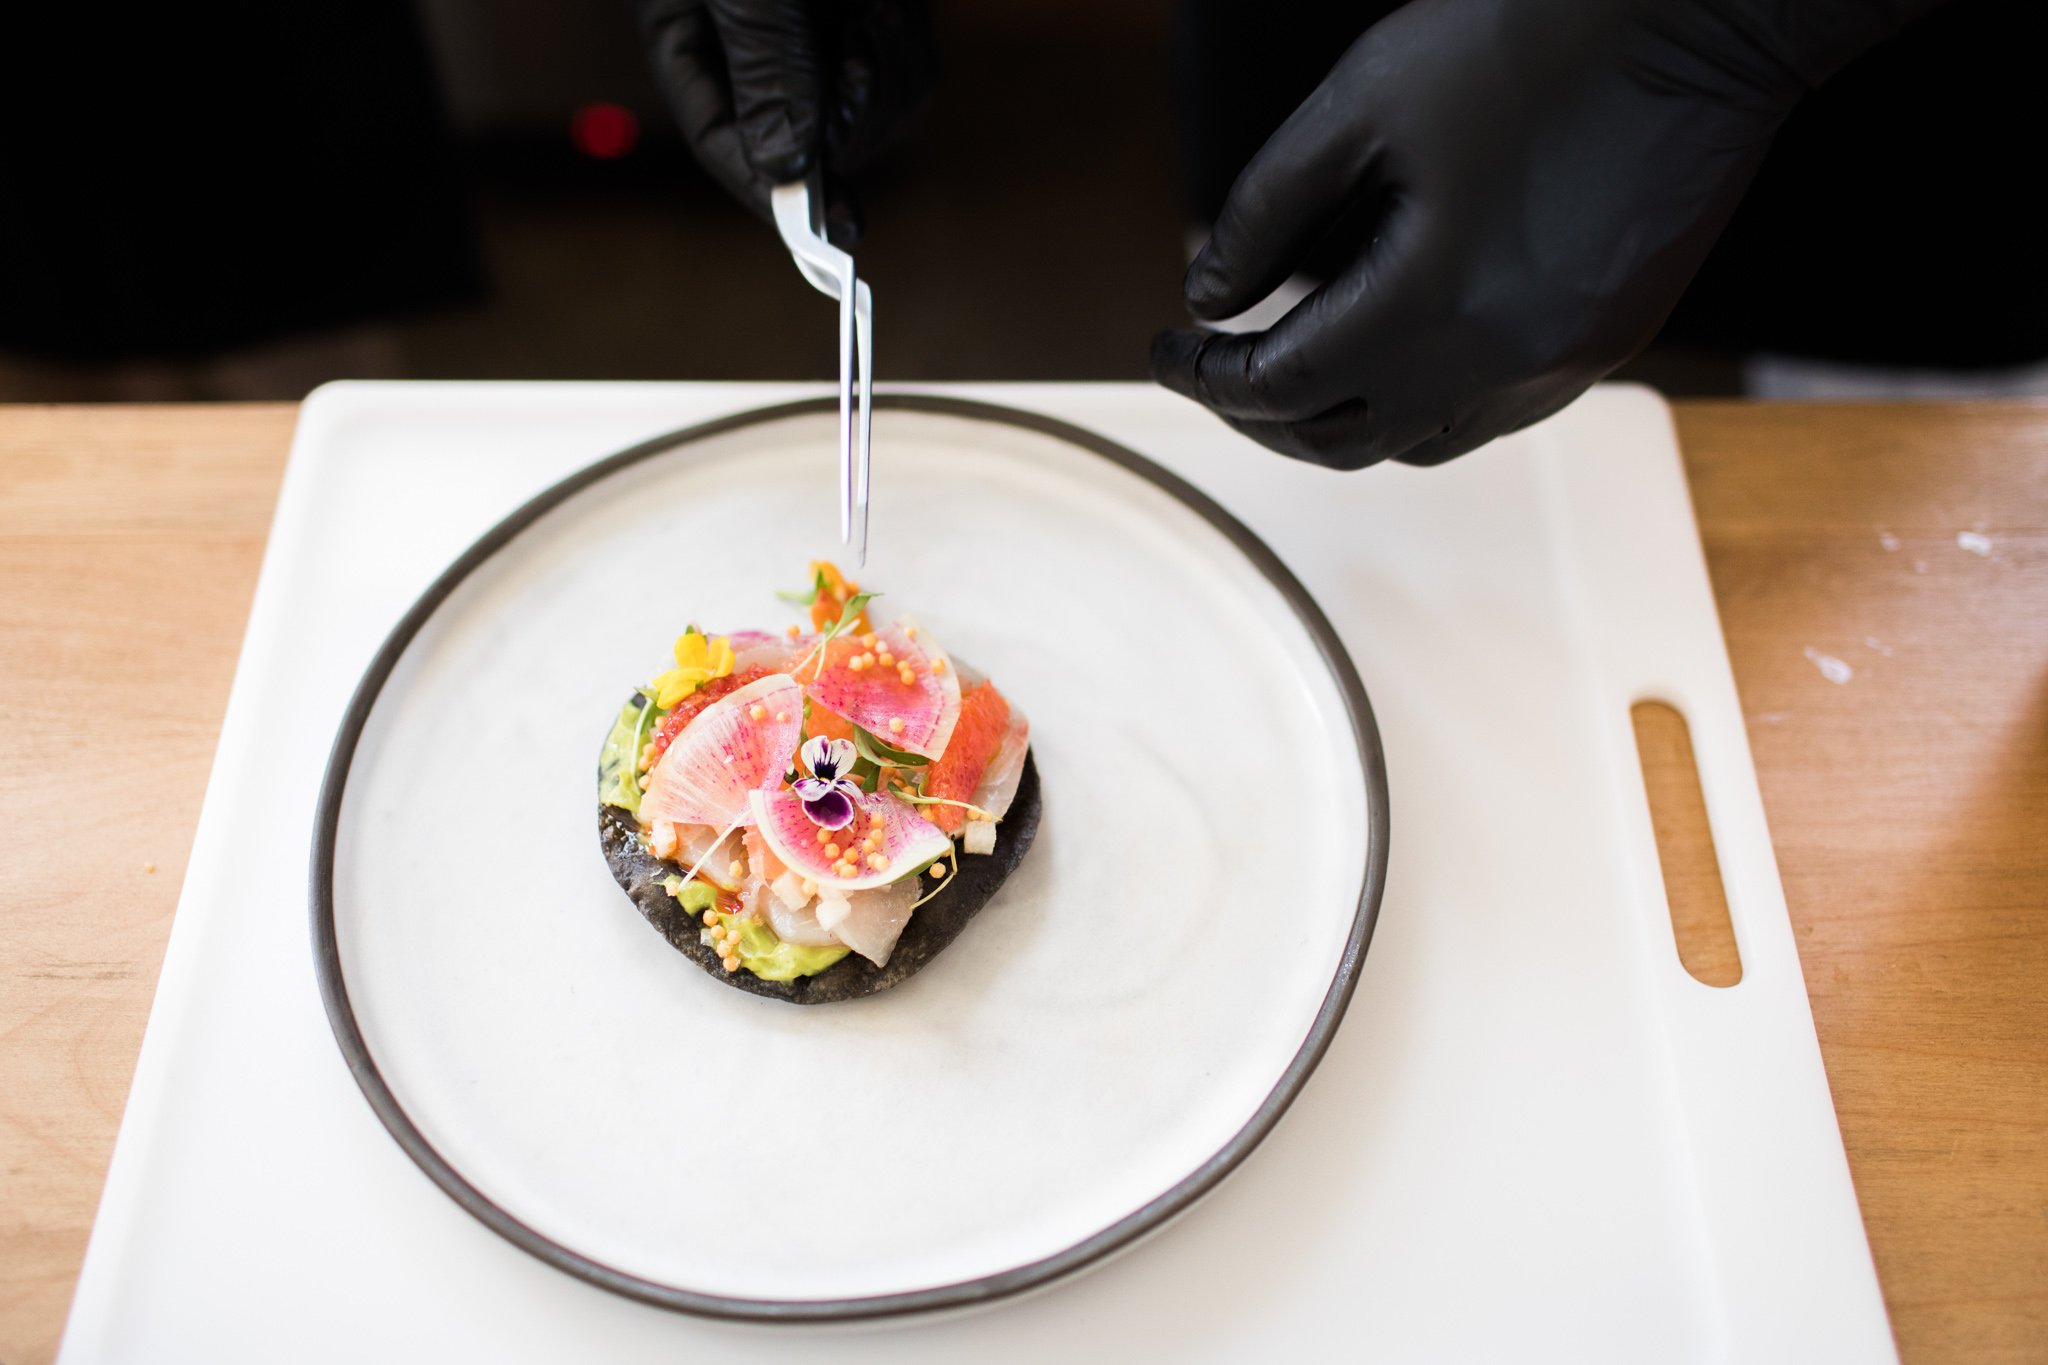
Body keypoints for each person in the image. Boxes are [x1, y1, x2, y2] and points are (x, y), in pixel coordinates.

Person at [633, 0, 2030, 470]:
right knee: (1354, 412)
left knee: (1909, 515)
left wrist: (1712, 27)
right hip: (1352, 63)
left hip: (1900, 93)